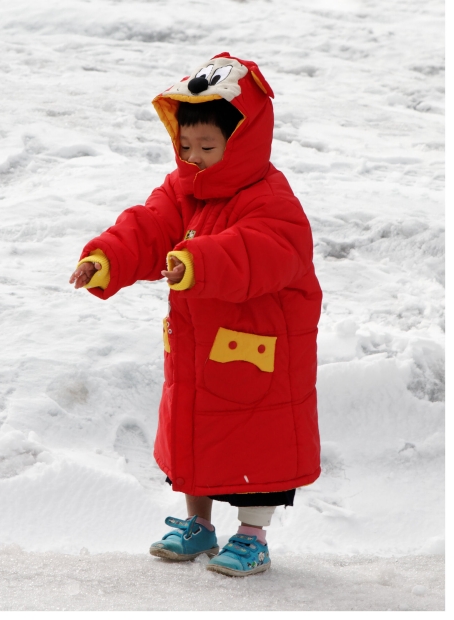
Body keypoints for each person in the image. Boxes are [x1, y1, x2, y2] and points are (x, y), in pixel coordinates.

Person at [69, 54, 322, 577]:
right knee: (194, 433)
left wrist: (197, 261)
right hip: (198, 344)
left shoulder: (270, 198)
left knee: (258, 444)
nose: (195, 157)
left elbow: (266, 249)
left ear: (243, 139)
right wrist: (106, 259)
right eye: (186, 146)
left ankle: (252, 535)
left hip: (258, 347)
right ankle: (198, 525)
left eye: (208, 147)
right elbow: (150, 225)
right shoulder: (184, 188)